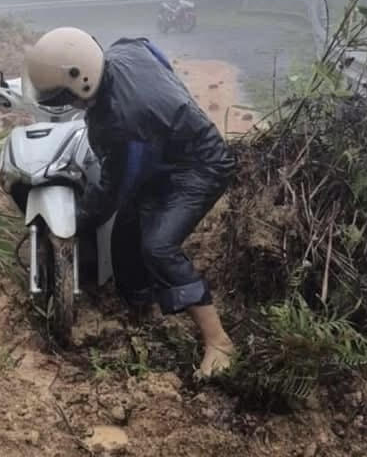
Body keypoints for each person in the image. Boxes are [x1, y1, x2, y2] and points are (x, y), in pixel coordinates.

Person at [24, 26, 236, 377]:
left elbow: (112, 191)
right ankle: (140, 304)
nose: (68, 105)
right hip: (164, 150)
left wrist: (76, 222)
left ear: (84, 81)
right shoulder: (126, 49)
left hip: (201, 165)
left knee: (157, 245)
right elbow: (155, 54)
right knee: (125, 233)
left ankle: (218, 341)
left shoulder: (119, 123)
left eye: (67, 98)